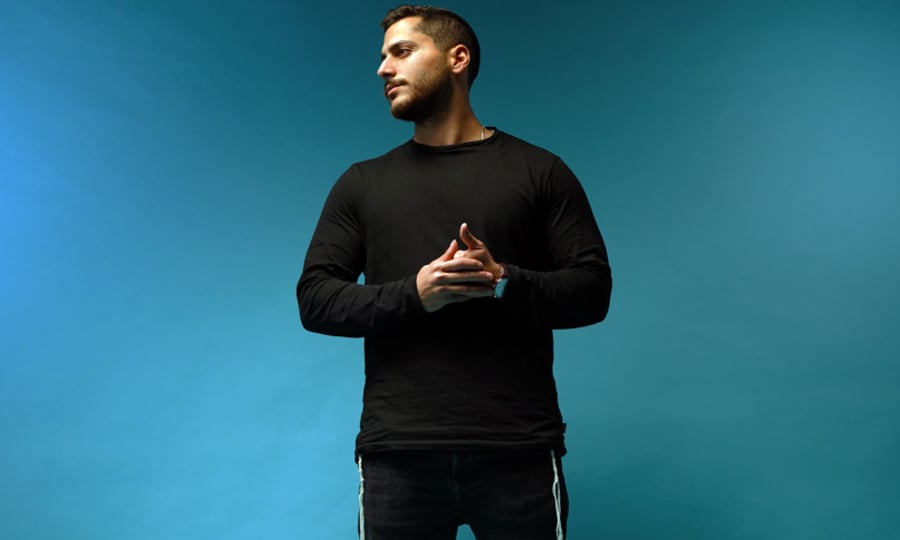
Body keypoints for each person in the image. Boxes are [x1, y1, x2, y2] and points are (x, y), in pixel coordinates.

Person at [296, 5, 611, 539]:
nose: (383, 68)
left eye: (402, 52)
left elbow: (593, 290)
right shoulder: (362, 184)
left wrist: (503, 279)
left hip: (518, 449)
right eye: (383, 57)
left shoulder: (540, 171)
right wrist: (417, 294)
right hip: (398, 454)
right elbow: (316, 300)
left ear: (457, 58)